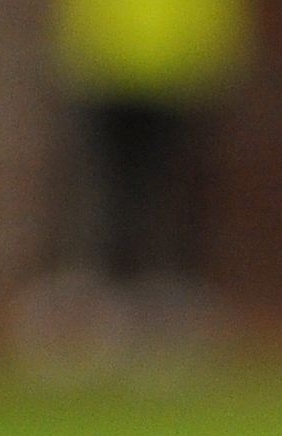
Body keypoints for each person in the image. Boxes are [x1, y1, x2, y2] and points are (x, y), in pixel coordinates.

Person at [51, 0, 248, 350]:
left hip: (178, 69)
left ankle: (165, 300)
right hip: (106, 66)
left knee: (174, 193)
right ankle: (103, 298)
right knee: (106, 191)